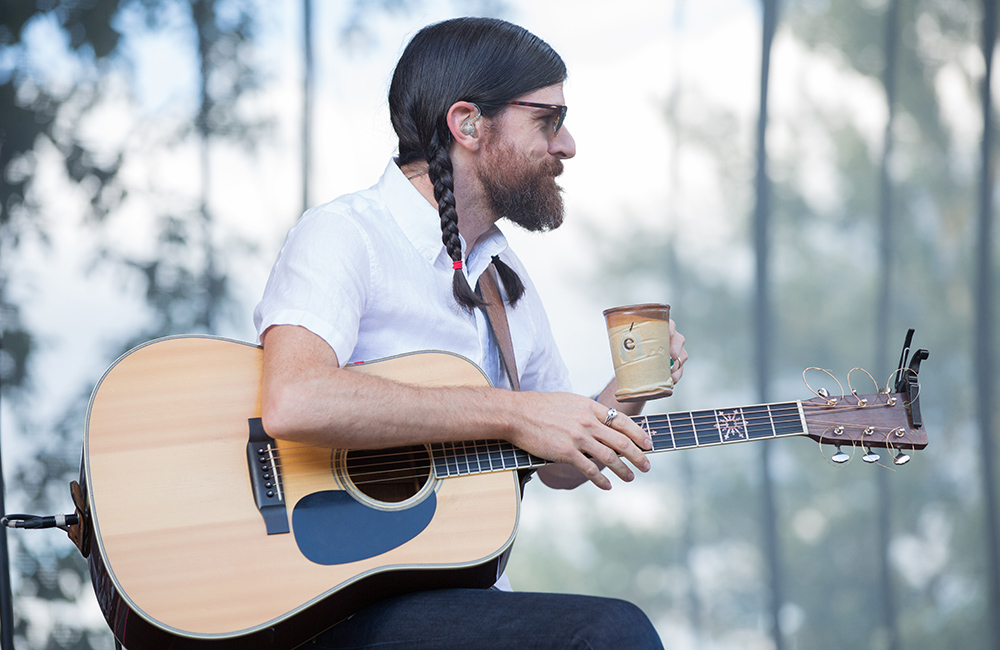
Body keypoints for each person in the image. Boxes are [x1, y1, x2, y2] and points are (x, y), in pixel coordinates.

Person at [253, 16, 688, 650]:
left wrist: (630, 391)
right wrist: (510, 413)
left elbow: (557, 464)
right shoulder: (347, 234)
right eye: (547, 120)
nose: (567, 145)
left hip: (459, 605)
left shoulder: (501, 273)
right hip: (329, 601)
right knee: (608, 632)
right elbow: (293, 399)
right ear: (468, 124)